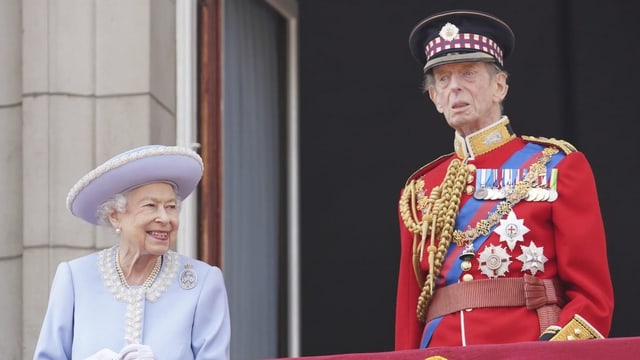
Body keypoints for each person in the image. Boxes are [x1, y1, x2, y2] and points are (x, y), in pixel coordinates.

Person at [394, 9, 614, 349]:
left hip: (528, 348)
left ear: (500, 85)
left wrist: (552, 353)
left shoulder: (555, 166)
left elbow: (593, 299)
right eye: (442, 79)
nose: (454, 87)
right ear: (435, 98)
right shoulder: (420, 190)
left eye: (468, 73)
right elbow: (411, 314)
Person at [33, 145, 231, 359]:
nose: (164, 218)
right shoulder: (75, 277)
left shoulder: (203, 283)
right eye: (150, 206)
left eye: (171, 207)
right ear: (115, 215)